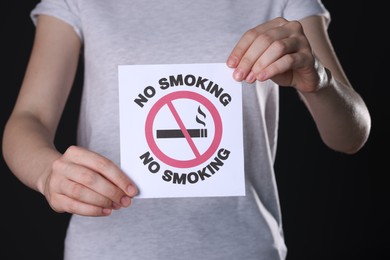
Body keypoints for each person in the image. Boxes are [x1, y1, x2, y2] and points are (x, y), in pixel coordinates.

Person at [2, 0, 371, 259]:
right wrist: (47, 174)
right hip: (106, 250)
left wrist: (320, 81)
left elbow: (350, 135)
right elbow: (28, 118)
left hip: (245, 249)